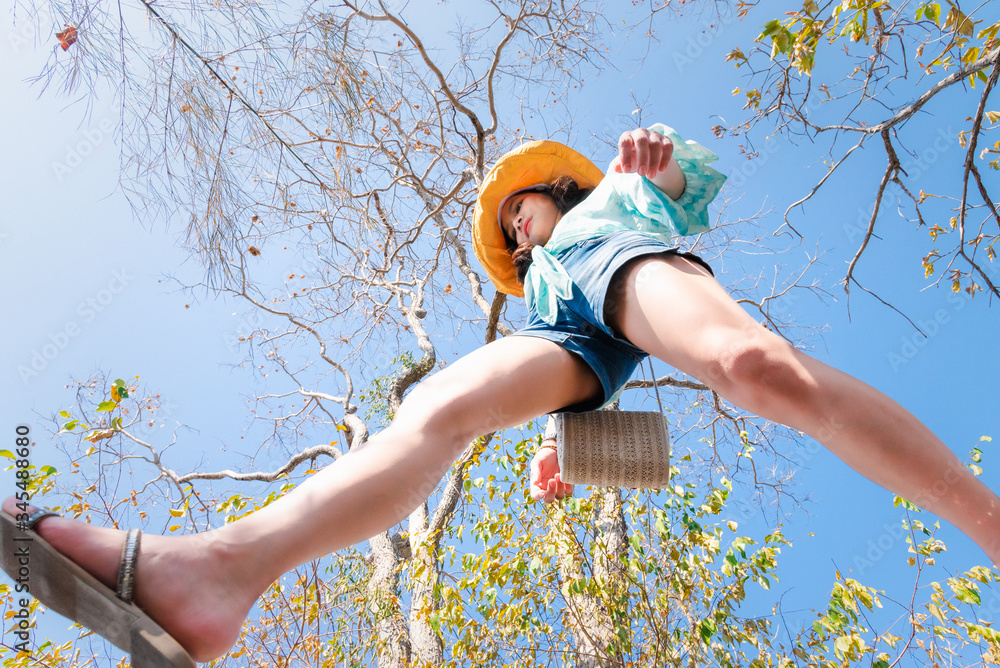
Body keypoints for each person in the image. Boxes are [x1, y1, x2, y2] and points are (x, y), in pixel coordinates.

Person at [4, 125, 1000, 664]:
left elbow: (688, 170)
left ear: (555, 191)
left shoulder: (614, 192)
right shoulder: (537, 281)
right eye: (511, 230)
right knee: (430, 412)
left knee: (754, 370)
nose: (516, 232)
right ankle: (215, 574)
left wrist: (644, 165)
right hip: (566, 336)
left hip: (627, 260)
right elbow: (622, 412)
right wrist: (582, 446)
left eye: (520, 210)